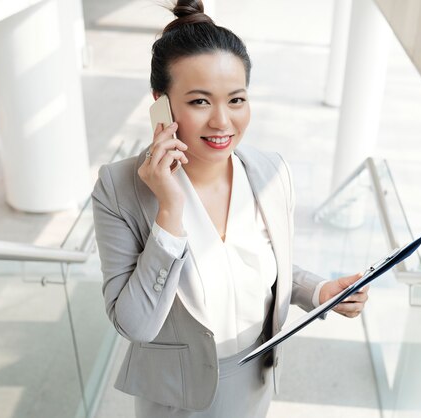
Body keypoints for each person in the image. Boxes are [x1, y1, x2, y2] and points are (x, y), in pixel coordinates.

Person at [91, 1, 369, 416]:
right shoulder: (119, 188)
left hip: (254, 378)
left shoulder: (270, 172)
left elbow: (262, 266)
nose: (223, 121)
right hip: (175, 395)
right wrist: (169, 210)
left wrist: (319, 292)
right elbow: (135, 324)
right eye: (200, 102)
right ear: (160, 104)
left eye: (236, 99)